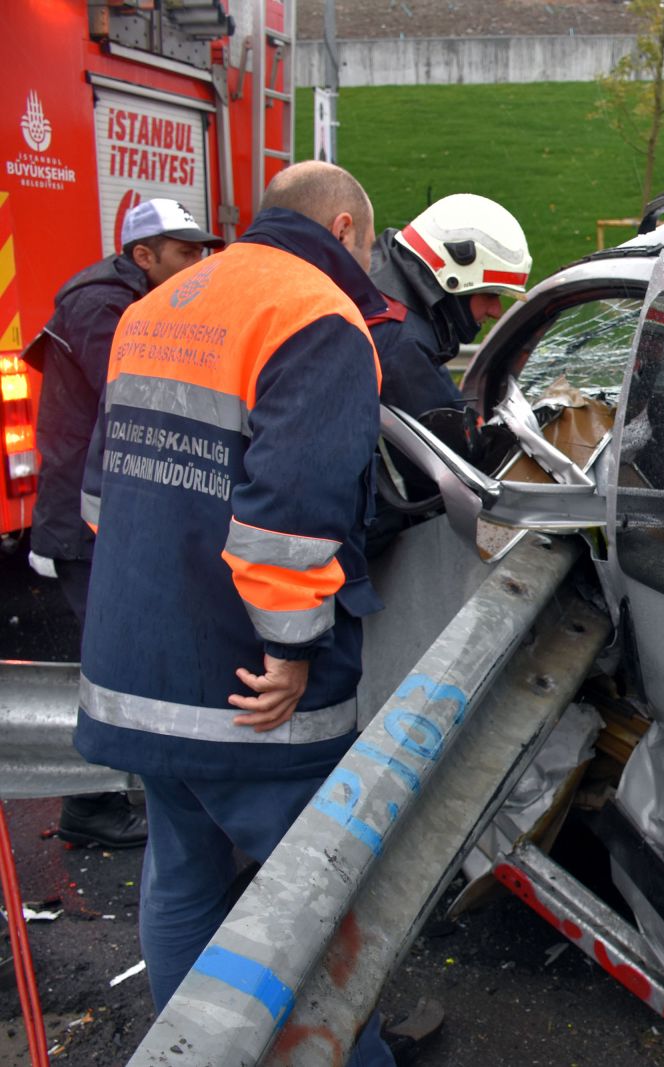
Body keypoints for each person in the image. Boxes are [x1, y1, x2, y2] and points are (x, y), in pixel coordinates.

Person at [71, 160, 394, 1064]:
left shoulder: (158, 307)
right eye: (368, 243)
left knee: (183, 875)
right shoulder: (317, 315)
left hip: (137, 663)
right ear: (343, 228)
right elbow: (289, 513)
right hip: (244, 688)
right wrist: (290, 650)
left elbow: (100, 498)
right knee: (312, 906)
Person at [23, 198, 222, 849]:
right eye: (185, 252)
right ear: (143, 255)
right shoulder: (101, 306)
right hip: (84, 519)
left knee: (125, 653)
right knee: (109, 660)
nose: (198, 263)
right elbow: (148, 390)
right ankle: (92, 805)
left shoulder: (130, 298)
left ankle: (119, 788)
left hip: (103, 510)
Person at [365, 192, 531, 420]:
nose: (496, 311)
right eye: (490, 294)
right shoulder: (403, 342)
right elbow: (452, 437)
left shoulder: (384, 284)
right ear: (453, 281)